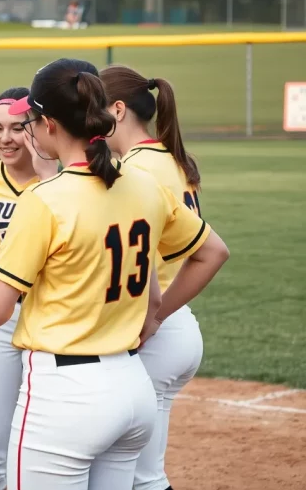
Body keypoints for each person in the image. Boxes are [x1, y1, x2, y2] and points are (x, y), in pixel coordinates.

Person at [0, 58, 230, 490]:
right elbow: (213, 252)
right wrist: (155, 316)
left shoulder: (44, 198)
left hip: (65, 393)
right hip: (131, 383)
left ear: (49, 124)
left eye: (31, 121)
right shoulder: (143, 183)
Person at [100, 65, 204, 490]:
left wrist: (158, 314)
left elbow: (209, 255)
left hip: (153, 330)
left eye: (95, 108)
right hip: (178, 328)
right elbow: (202, 255)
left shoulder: (137, 169)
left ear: (118, 110)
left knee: (136, 476)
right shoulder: (169, 158)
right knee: (143, 473)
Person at [0, 87, 58, 490]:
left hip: (50, 317)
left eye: (18, 128)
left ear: (38, 129)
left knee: (49, 446)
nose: (6, 138)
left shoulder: (59, 179)